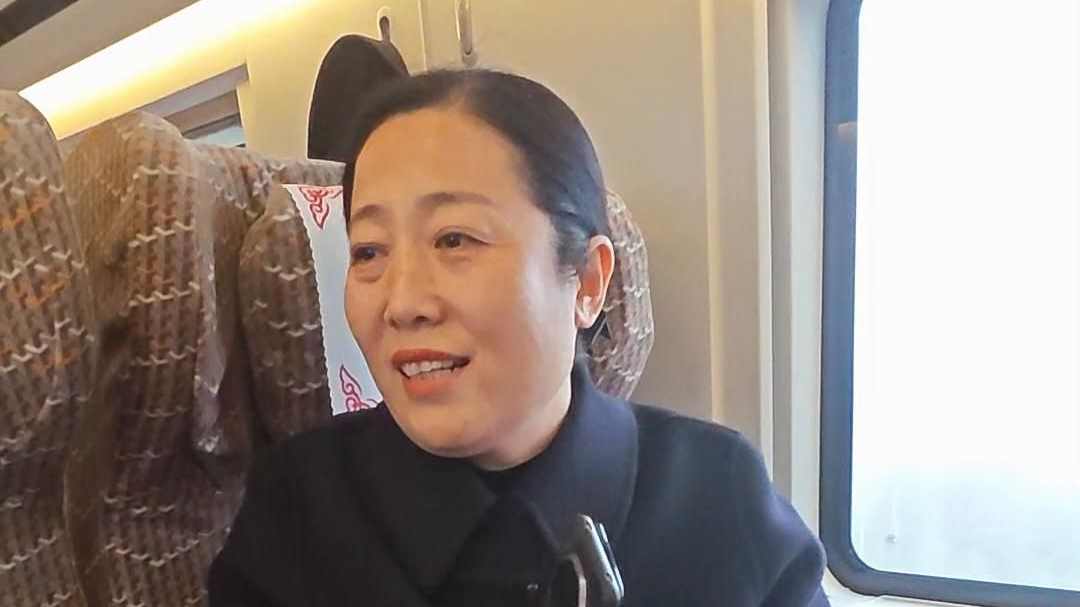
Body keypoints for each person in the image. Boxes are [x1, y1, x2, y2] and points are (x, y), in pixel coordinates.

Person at [207, 69, 829, 607]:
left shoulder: (717, 497)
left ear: (587, 282)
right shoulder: (297, 510)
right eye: (369, 251)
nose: (403, 303)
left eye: (454, 239)